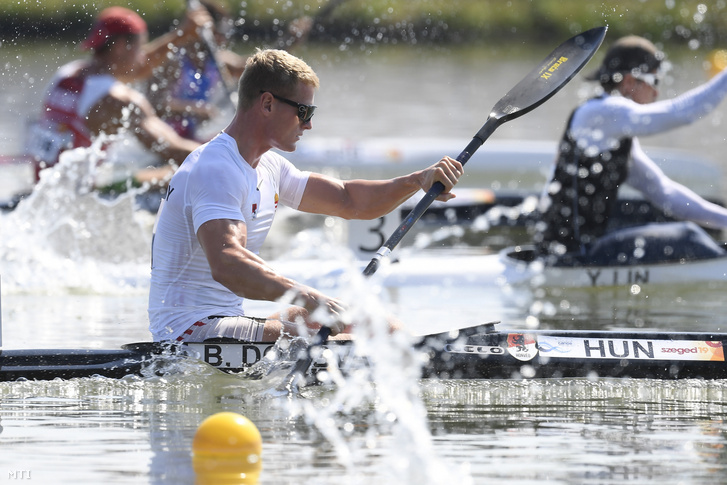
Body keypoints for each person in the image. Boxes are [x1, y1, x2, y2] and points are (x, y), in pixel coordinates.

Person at [147, 48, 463, 343]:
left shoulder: (268, 165)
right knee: (348, 334)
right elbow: (227, 262)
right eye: (303, 110)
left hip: (229, 323)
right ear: (267, 103)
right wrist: (312, 298)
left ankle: (420, 357)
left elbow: (348, 200)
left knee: (374, 324)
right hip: (186, 332)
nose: (309, 124)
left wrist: (416, 181)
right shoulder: (216, 168)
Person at [535, 35, 727, 263]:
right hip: (569, 257)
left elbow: (666, 194)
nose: (656, 93)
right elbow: (680, 113)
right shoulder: (602, 112)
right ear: (628, 82)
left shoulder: (610, 131)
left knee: (689, 234)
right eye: (654, 81)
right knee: (688, 236)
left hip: (571, 253)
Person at [26, 6, 211, 185]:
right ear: (121, 46)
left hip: (43, 188)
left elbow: (139, 68)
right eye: (140, 47)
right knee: (175, 175)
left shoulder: (67, 74)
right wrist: (229, 155)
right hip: (81, 198)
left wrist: (181, 36)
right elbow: (172, 148)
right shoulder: (119, 100)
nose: (142, 56)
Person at [146, 0, 314, 142]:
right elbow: (154, 105)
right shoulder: (173, 61)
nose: (225, 38)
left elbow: (258, 68)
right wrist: (196, 109)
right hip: (162, 138)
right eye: (221, 32)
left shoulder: (218, 60)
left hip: (191, 136)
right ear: (205, 31)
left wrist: (288, 40)